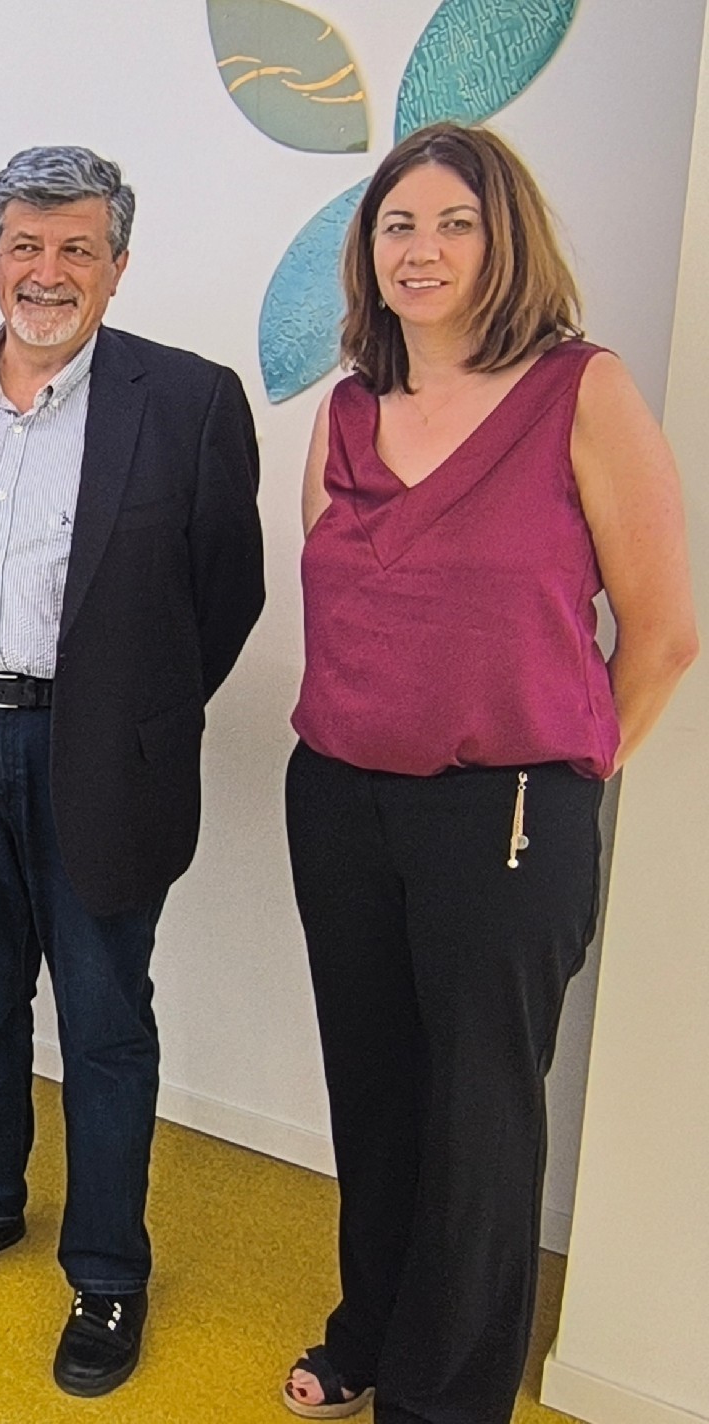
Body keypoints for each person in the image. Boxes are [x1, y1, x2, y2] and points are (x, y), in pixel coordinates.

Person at [281, 123, 697, 1424]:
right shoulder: (348, 409)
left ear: (502, 238)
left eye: (454, 222)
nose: (423, 248)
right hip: (339, 797)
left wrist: (571, 768)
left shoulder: (581, 390)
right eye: (398, 225)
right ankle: (370, 1328)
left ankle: (446, 1400)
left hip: (507, 815)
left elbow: (665, 631)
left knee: (481, 1122)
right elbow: (345, 602)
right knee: (376, 1092)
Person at [0, 146, 265, 1396]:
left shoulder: (187, 399)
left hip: (94, 751)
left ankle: (106, 1268)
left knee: (102, 1021)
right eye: (26, 246)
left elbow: (226, 593)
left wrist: (134, 716)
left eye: (77, 249)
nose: (48, 272)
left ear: (118, 265)